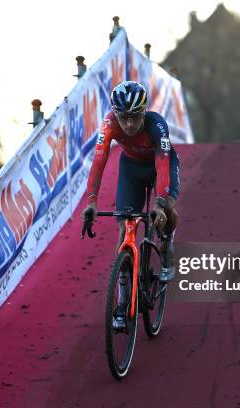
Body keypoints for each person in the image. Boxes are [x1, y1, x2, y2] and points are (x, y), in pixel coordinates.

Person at [82, 81, 180, 329]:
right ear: (116, 114)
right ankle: (123, 302)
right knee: (125, 228)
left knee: (166, 209)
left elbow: (162, 162)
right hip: (131, 170)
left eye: (134, 117)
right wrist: (92, 201)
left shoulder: (156, 125)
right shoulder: (109, 124)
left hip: (160, 167)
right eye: (123, 117)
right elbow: (99, 160)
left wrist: (159, 203)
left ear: (144, 111)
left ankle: (167, 244)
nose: (128, 124)